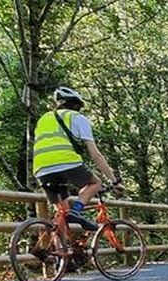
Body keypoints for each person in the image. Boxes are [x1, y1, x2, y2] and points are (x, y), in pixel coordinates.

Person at [32, 86, 121, 225]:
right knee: (95, 183)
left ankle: (60, 246)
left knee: (62, 212)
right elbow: (95, 154)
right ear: (76, 105)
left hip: (41, 168)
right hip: (66, 162)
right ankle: (77, 210)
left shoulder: (43, 118)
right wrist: (114, 181)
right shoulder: (77, 117)